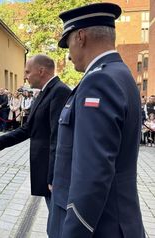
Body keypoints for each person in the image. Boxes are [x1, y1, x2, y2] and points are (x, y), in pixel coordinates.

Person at [47, 3, 145, 238]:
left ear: (80, 37)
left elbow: (92, 175)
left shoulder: (98, 81)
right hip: (116, 220)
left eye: (68, 43)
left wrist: (73, 232)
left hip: (99, 227)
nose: (68, 55)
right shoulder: (120, 74)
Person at [0, 54, 71, 209]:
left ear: (41, 71)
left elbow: (58, 138)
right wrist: (0, 141)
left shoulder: (59, 92)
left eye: (27, 72)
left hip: (52, 174)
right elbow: (28, 128)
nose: (25, 77)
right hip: (43, 169)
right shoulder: (43, 92)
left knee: (57, 226)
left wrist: (53, 176)